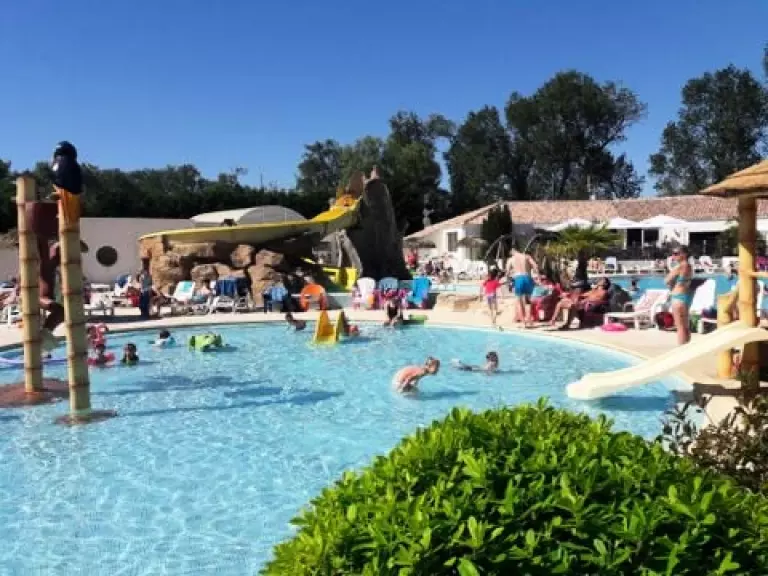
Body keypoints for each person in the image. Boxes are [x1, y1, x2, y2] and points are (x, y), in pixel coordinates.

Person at [505, 247, 539, 328]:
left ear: (513, 250)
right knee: (528, 301)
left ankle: (524, 323)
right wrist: (538, 276)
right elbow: (535, 266)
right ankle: (529, 320)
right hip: (527, 278)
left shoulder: (511, 259)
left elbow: (507, 272)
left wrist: (508, 282)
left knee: (519, 302)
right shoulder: (526, 256)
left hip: (518, 279)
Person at [665, 246, 693, 345]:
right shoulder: (689, 266)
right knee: (685, 326)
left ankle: (681, 350)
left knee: (680, 327)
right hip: (686, 296)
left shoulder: (680, 266)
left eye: (676, 254)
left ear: (684, 254)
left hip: (678, 297)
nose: (673, 256)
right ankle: (687, 348)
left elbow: (666, 280)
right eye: (673, 254)